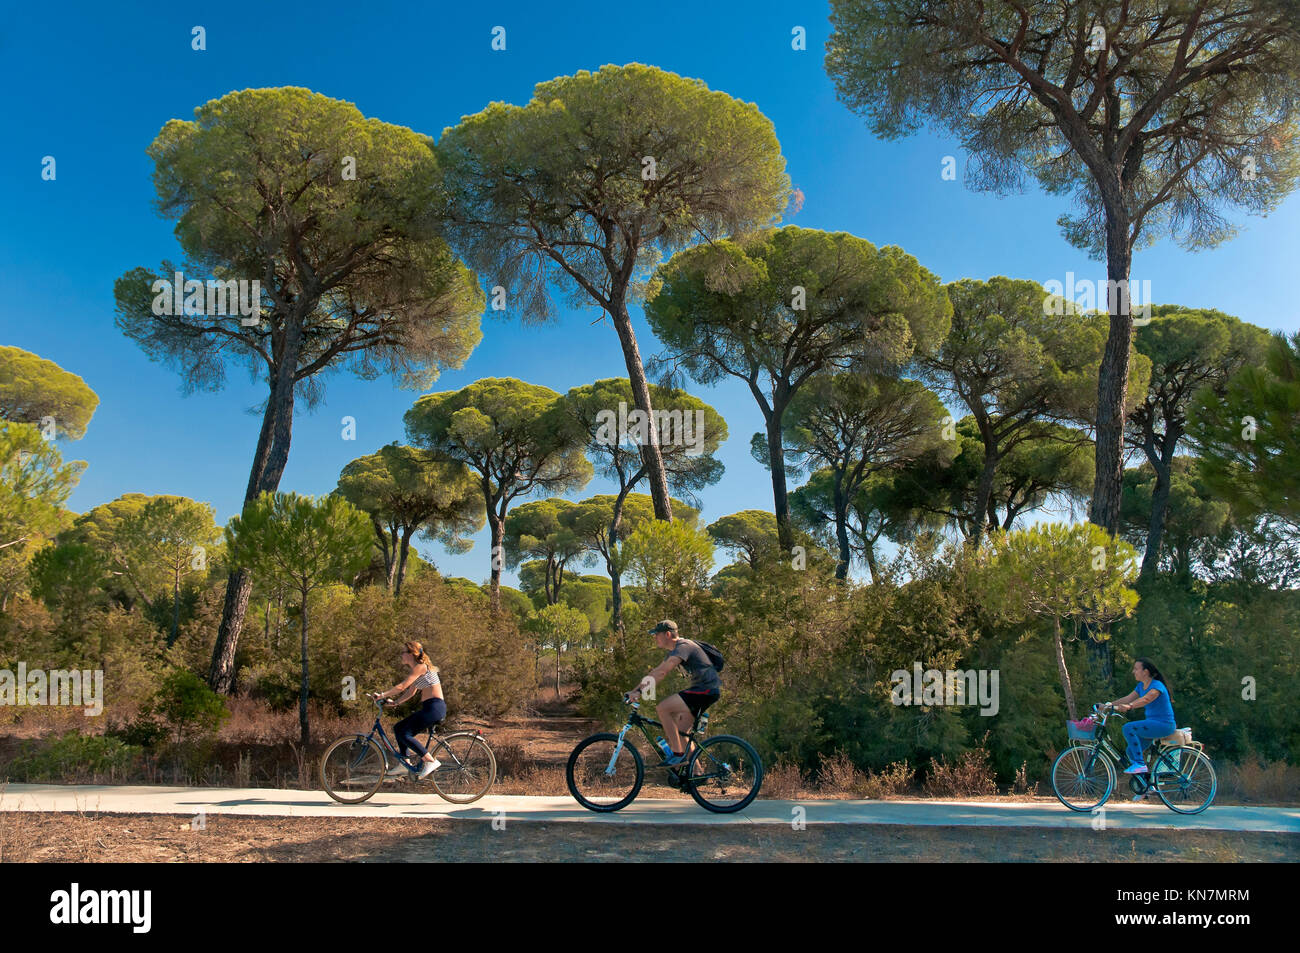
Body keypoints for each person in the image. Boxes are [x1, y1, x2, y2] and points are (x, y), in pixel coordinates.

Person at [627, 620, 719, 766]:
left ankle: (677, 754)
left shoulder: (683, 646)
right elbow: (656, 672)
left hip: (704, 690)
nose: (654, 637)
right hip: (703, 691)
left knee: (662, 708)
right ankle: (697, 773)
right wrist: (635, 690)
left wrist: (639, 692)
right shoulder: (675, 650)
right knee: (682, 733)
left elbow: (663, 672)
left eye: (656, 635)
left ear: (668, 634)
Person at [367, 640, 446, 780]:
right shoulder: (418, 669)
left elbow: (402, 686)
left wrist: (382, 695)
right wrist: (395, 703)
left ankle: (430, 761)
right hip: (431, 707)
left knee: (405, 733)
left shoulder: (421, 667)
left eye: (403, 652)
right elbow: (411, 692)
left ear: (411, 654)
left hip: (434, 707)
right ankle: (405, 763)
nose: (401, 655)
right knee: (399, 728)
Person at [1108, 657, 1178, 776]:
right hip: (1152, 725)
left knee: (1128, 728)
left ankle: (1140, 764)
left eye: (1136, 669)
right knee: (1131, 751)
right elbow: (1128, 698)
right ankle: (1146, 787)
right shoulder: (1141, 686)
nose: (1133, 671)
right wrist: (1108, 705)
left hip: (1164, 725)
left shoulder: (1157, 686)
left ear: (1145, 672)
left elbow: (1146, 699)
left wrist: (1129, 706)